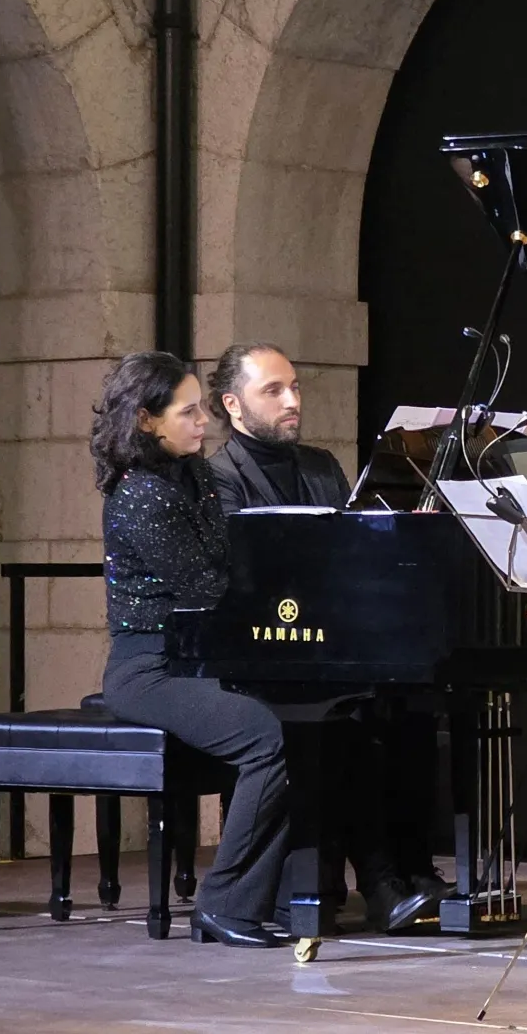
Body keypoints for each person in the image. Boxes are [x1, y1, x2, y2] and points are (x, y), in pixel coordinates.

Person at [204, 340, 447, 933]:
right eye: (273, 391)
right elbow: (243, 579)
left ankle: (410, 872)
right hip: (260, 651)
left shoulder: (321, 467)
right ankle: (379, 884)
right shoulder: (218, 476)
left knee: (407, 711)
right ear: (233, 405)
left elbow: (351, 558)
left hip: (324, 642)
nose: (293, 400)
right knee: (345, 725)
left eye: (295, 387)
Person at [89, 350, 290, 948]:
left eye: (202, 408)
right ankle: (225, 904)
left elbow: (226, 561)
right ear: (147, 420)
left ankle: (282, 897)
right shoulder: (140, 494)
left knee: (303, 726)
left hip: (200, 659)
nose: (203, 421)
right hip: (149, 669)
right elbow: (205, 585)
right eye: (188, 411)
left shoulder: (194, 474)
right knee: (266, 735)